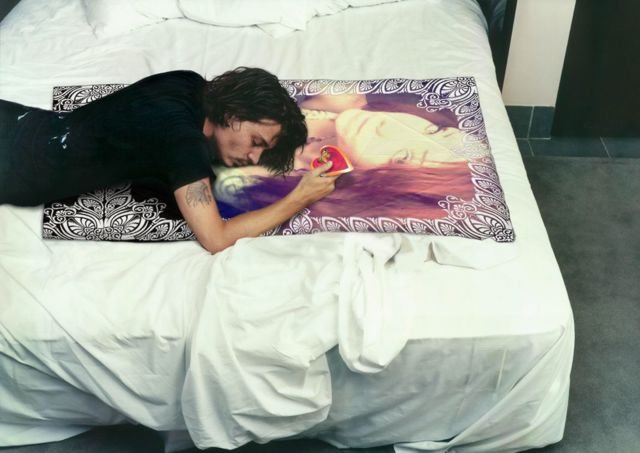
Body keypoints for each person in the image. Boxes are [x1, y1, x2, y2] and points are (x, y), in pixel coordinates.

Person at [0, 67, 339, 253]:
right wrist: (301, 196)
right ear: (233, 113)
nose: (253, 157)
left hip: (21, 120)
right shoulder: (182, 145)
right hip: (12, 167)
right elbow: (216, 239)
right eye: (256, 142)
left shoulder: (188, 82)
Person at [213, 92, 477, 219]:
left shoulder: (253, 184)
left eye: (402, 157)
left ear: (376, 186)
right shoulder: (339, 99)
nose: (388, 126)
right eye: (435, 130)